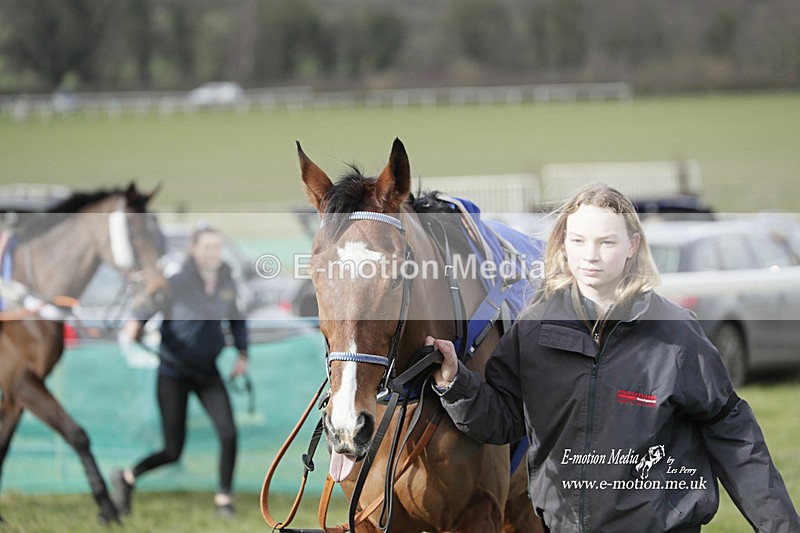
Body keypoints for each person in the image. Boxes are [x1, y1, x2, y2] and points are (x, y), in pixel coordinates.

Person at [428, 184, 799, 532]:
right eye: (578, 241)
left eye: (606, 242)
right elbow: (504, 420)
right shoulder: (533, 329)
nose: (590, 255)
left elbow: (733, 434)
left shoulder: (675, 334)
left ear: (632, 245)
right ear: (563, 244)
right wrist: (455, 383)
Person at [111, 225, 249, 518]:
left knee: (228, 433)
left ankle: (224, 499)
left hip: (208, 373)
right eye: (207, 247)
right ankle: (127, 477)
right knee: (172, 451)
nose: (213, 253)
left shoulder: (227, 282)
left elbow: (237, 318)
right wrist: (136, 324)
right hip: (173, 373)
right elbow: (149, 304)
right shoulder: (176, 282)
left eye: (217, 247)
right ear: (194, 250)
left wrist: (242, 352)